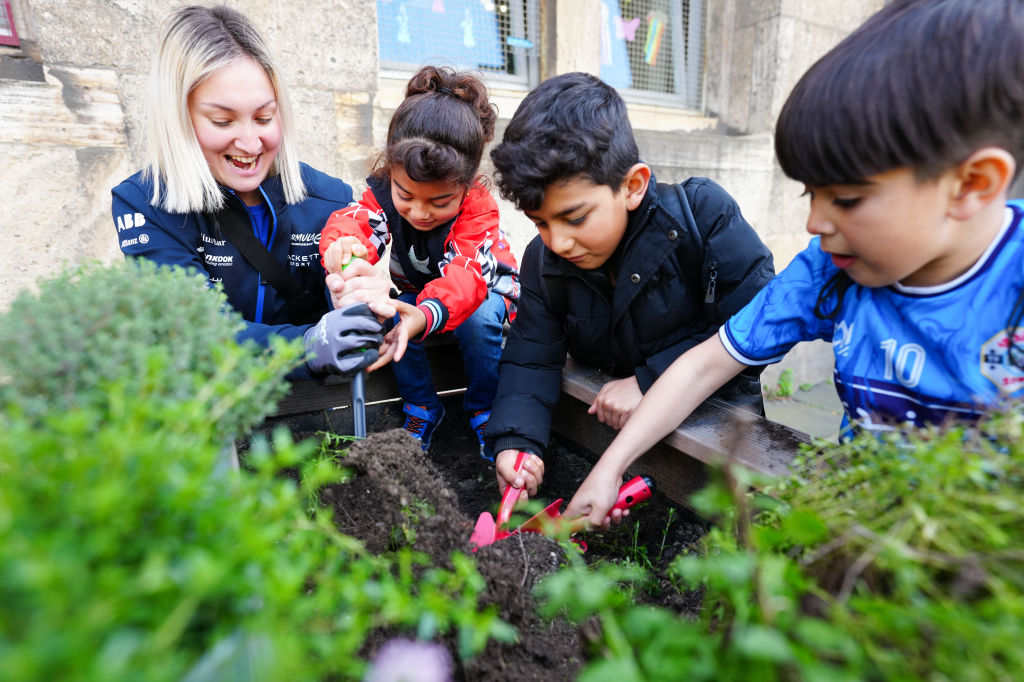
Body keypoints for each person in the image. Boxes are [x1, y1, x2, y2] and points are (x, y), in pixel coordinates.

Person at [565, 0, 1024, 528]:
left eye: (846, 200)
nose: (814, 223)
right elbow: (703, 365)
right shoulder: (830, 270)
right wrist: (610, 467)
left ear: (971, 185)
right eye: (811, 194)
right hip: (863, 528)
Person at [484, 72, 775, 500]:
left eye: (575, 217)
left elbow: (758, 324)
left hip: (725, 443)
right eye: (540, 222)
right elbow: (530, 359)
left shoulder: (703, 217)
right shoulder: (543, 261)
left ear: (632, 185)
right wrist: (517, 441)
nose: (558, 242)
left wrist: (649, 379)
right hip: (607, 443)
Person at [111, 5, 391, 381]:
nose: (249, 142)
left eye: (263, 117)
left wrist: (362, 301)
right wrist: (304, 347)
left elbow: (351, 323)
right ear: (177, 117)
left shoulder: (329, 199)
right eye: (222, 121)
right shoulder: (145, 204)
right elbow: (195, 334)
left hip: (313, 413)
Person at [319, 66, 520, 458]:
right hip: (421, 295)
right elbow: (354, 222)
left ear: (466, 185)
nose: (419, 212)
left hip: (483, 295)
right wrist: (344, 248)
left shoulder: (479, 211)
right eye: (405, 195)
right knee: (392, 311)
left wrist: (424, 314)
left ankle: (483, 407)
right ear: (391, 172)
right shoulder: (380, 191)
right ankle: (422, 406)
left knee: (478, 320)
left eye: (439, 201)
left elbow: (466, 280)